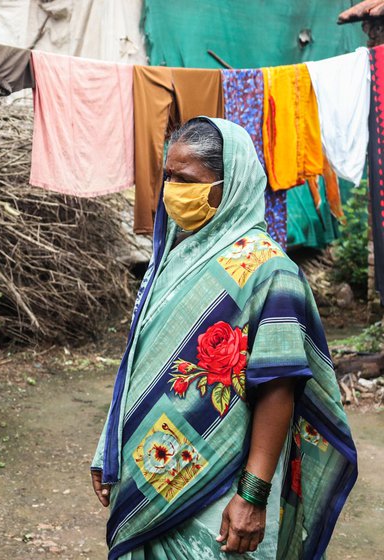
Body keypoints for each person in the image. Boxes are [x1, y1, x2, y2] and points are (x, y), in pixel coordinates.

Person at [90, 117, 357, 559]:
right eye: (169, 177)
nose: (173, 191)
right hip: (150, 464)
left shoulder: (270, 273)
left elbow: (278, 388)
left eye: (187, 179)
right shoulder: (172, 258)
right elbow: (139, 360)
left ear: (229, 184)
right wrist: (110, 447)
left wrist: (252, 495)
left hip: (221, 483)